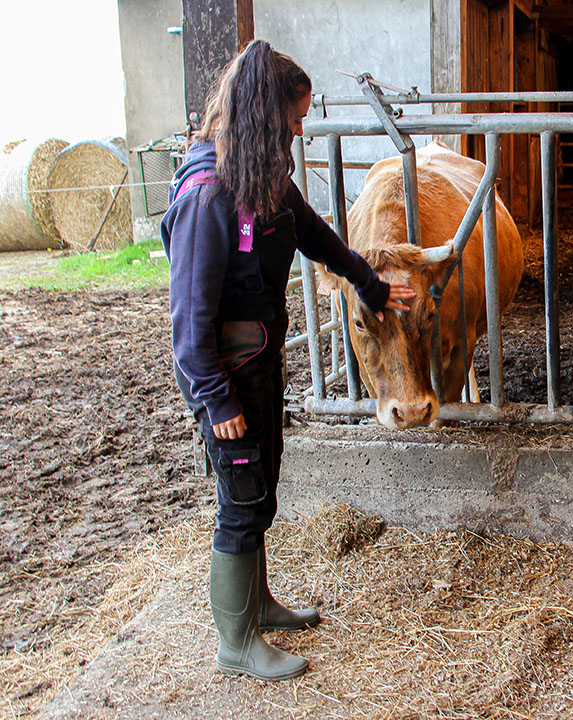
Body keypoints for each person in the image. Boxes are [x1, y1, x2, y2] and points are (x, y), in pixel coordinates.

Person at [161, 40, 415, 681]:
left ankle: (260, 605)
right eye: (293, 118)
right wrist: (215, 400)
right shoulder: (207, 198)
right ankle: (236, 641)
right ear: (263, 115)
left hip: (260, 360)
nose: (302, 129)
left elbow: (316, 235)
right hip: (228, 374)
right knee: (240, 497)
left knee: (262, 488)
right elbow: (188, 325)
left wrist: (371, 283)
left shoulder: (261, 181)